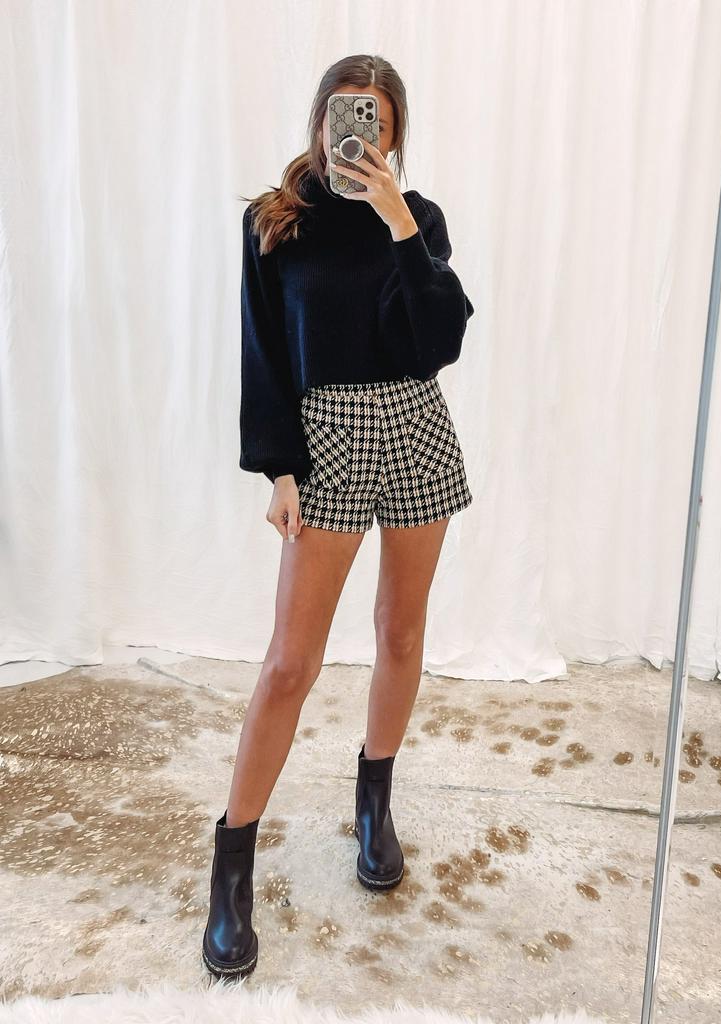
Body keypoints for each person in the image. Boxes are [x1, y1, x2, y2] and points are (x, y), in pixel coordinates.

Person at [202, 54, 475, 979]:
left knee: (401, 630)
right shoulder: (275, 222)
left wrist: (399, 222)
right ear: (320, 119)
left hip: (415, 423)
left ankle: (373, 801)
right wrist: (278, 467)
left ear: (394, 136)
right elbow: (263, 353)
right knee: (291, 662)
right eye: (344, 116)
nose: (357, 135)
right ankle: (232, 863)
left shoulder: (418, 218)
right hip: (325, 439)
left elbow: (438, 343)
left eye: (377, 123)